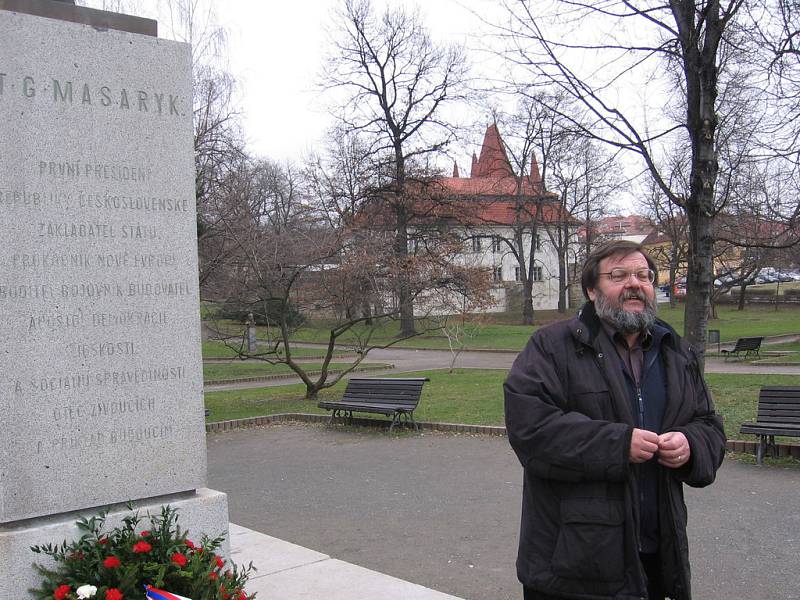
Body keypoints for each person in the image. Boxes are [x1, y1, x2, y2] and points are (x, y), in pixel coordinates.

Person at [504, 240, 726, 600]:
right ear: (592, 290)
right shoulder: (551, 347)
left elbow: (709, 425)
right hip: (574, 563)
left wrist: (691, 445)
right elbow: (530, 429)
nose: (635, 283)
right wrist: (618, 444)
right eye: (619, 275)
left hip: (657, 556)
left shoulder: (675, 350)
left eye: (643, 275)